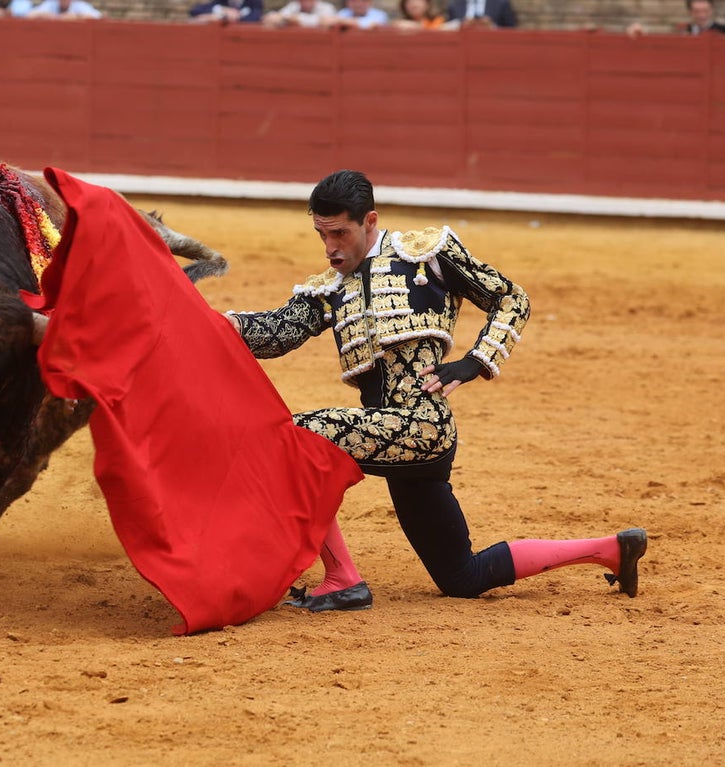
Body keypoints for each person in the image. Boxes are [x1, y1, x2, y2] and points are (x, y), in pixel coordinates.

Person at [223, 169, 648, 611]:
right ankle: (612, 549)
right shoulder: (330, 288)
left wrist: (473, 362)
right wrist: (219, 323)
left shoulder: (425, 256)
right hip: (393, 440)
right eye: (321, 234)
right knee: (462, 576)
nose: (330, 248)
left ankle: (342, 579)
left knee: (296, 437)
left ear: (370, 221)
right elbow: (277, 331)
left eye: (340, 233)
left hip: (422, 427)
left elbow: (512, 299)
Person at [262, 0, 338, 28]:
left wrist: (296, 19)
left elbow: (326, 21)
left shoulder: (326, 8)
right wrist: (286, 18)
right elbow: (271, 17)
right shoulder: (294, 6)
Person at [444, 0, 517, 28]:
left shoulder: (501, 3)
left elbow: (512, 30)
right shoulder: (454, 5)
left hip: (493, 47)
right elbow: (447, 30)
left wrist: (493, 26)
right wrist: (461, 25)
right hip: (463, 49)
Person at [189, 0, 264, 24]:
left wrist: (233, 17)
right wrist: (221, 10)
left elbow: (256, 17)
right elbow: (194, 11)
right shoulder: (221, 1)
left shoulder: (254, 2)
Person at [27, 0, 101, 18]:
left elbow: (98, 16)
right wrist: (45, 15)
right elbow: (29, 14)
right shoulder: (51, 4)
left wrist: (76, 16)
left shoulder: (79, 5)